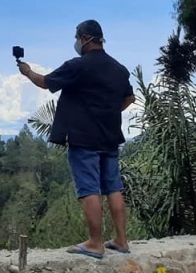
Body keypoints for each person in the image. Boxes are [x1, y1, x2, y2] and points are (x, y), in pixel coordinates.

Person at [16, 19, 135, 259]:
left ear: (84, 38)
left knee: (89, 188)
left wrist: (27, 71)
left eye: (76, 37)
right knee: (113, 187)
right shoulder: (119, 69)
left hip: (84, 139)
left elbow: (45, 82)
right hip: (110, 137)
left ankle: (95, 243)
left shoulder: (78, 66)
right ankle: (121, 240)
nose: (76, 42)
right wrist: (109, 111)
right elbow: (129, 99)